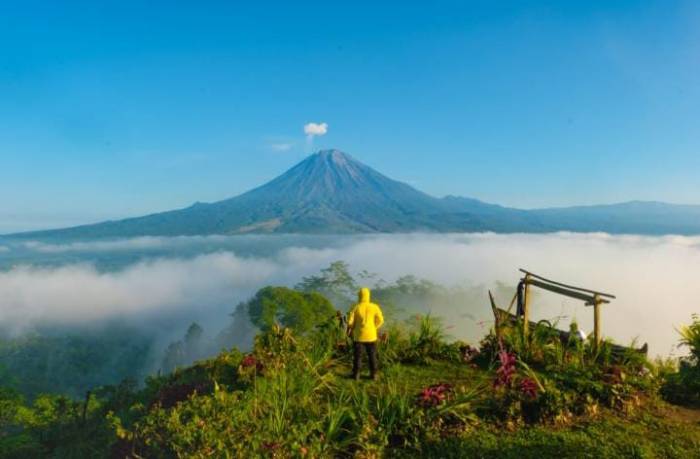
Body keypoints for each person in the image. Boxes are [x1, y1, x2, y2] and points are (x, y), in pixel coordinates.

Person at [347, 287, 384, 380]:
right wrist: (374, 327)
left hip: (359, 336)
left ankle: (356, 374)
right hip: (371, 336)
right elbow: (381, 320)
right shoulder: (374, 307)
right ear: (368, 296)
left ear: (359, 296)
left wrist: (353, 328)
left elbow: (350, 322)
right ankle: (374, 374)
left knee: (358, 356)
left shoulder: (356, 307)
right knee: (372, 355)